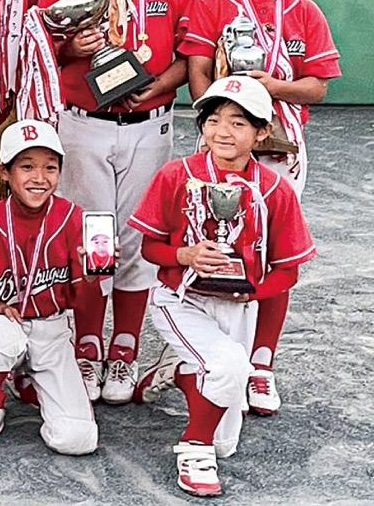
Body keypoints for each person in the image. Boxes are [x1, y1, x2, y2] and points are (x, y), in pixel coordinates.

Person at [39, 0, 196, 405]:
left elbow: (189, 56)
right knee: (92, 238)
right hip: (83, 124)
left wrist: (156, 86)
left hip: (150, 124)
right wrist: (71, 49)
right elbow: (40, 50)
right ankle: (87, 344)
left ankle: (124, 347)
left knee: (135, 237)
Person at [178, 0, 339, 415]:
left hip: (281, 148)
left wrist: (274, 87)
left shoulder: (304, 10)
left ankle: (262, 363)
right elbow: (198, 72)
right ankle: (212, 352)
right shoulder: (212, 3)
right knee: (216, 242)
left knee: (273, 252)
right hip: (222, 144)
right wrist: (219, 119)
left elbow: (318, 86)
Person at [129, 76, 314, 497]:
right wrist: (185, 255)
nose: (222, 132)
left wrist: (252, 292)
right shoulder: (176, 174)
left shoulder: (276, 190)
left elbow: (287, 272)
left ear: (262, 132)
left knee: (228, 441)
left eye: (238, 123)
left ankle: (182, 371)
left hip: (238, 305)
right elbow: (150, 248)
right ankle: (194, 448)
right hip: (180, 298)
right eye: (213, 120)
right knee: (228, 367)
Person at [0, 120, 100, 458]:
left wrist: (92, 274)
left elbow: (82, 300)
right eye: (27, 166)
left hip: (53, 330)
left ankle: (28, 381)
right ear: (4, 172)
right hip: (9, 324)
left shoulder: (73, 218)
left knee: (77, 440)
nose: (39, 177)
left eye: (50, 167)